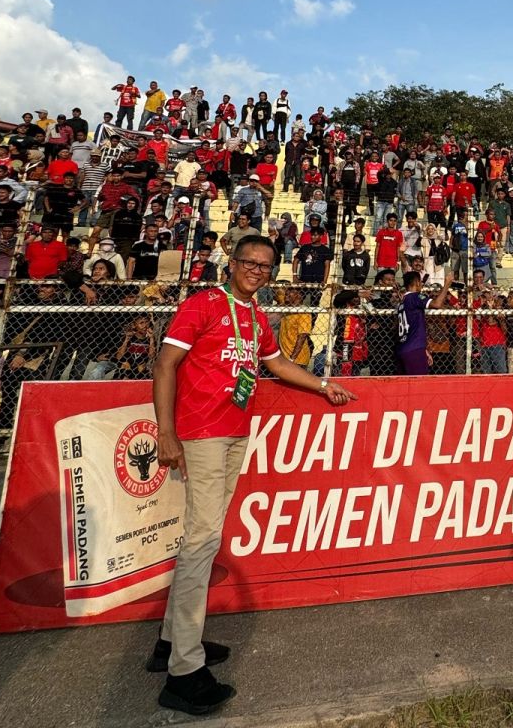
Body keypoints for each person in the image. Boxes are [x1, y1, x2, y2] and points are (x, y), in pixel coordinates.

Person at [151, 236, 355, 715]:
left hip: (235, 431)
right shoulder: (203, 304)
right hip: (201, 434)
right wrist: (166, 431)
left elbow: (276, 364)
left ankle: (170, 642)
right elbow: (165, 365)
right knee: (201, 542)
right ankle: (183, 672)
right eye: (248, 262)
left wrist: (324, 386)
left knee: (206, 536)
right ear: (232, 261)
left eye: (265, 266)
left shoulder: (255, 315)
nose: (256, 271)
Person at [396, 271, 454, 375]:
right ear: (417, 282)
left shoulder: (402, 301)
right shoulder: (415, 296)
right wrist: (446, 285)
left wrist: (424, 350)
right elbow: (437, 304)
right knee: (419, 385)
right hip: (414, 350)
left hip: (403, 348)